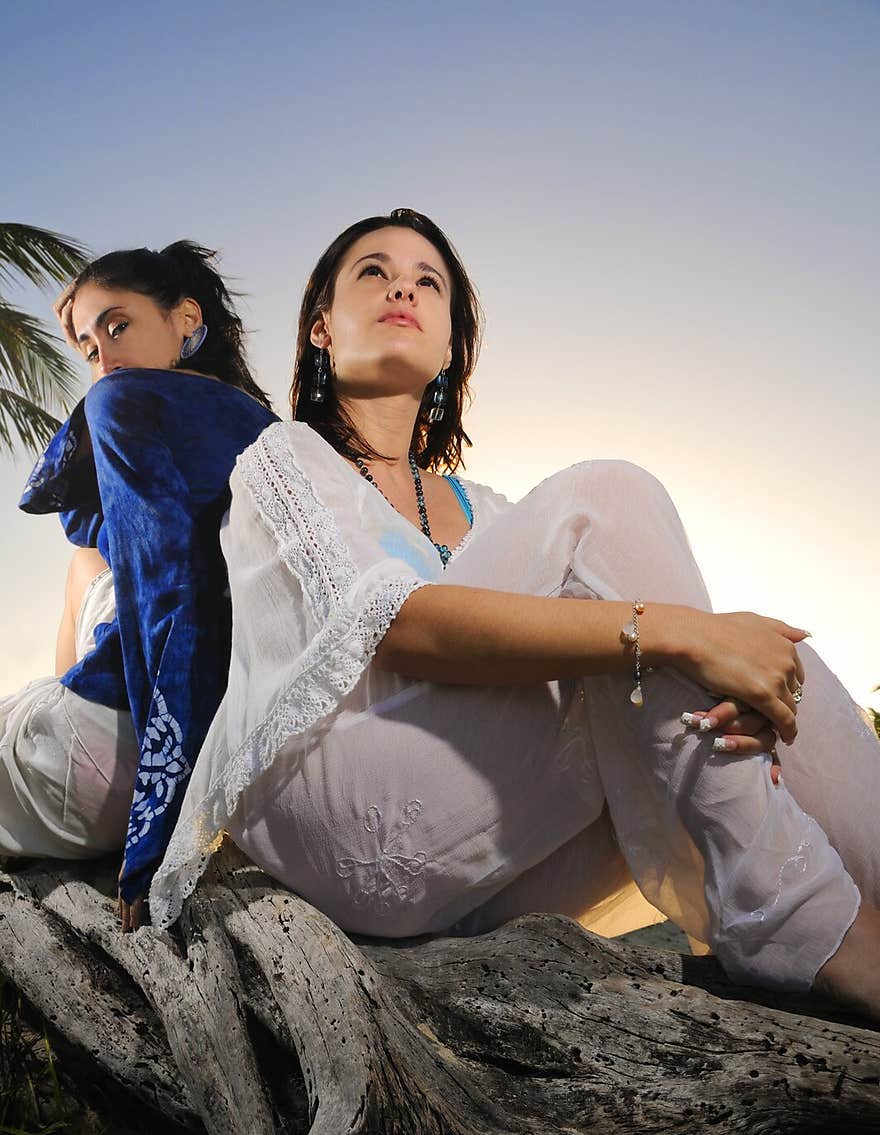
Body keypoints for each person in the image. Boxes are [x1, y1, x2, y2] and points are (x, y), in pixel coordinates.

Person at [150, 209, 880, 1020]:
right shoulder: (284, 463)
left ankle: (855, 912)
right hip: (343, 800)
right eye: (373, 271)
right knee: (613, 501)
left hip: (488, 859)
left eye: (430, 282)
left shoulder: (491, 512)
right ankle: (802, 919)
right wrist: (683, 633)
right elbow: (406, 627)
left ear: (449, 344)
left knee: (787, 671)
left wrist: (716, 672)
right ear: (321, 327)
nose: (404, 286)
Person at [4, 241, 277, 927]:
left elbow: (170, 594)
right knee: (84, 572)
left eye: (117, 325)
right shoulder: (266, 427)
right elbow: (105, 541)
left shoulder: (125, 400)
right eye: (90, 349)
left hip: (116, 753)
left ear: (187, 318)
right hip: (222, 743)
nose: (103, 358)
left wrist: (158, 835)